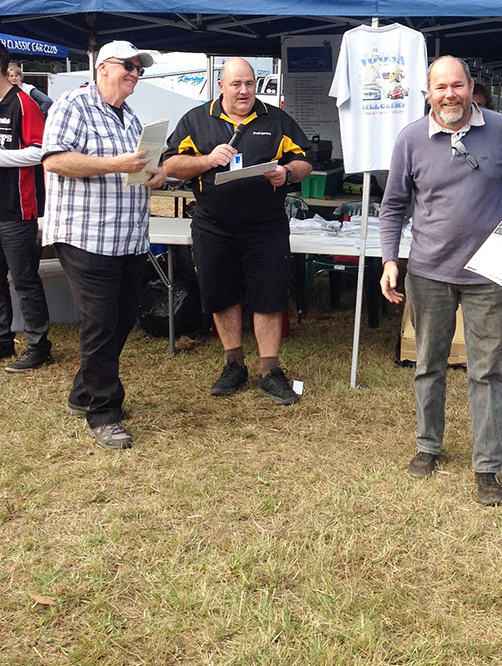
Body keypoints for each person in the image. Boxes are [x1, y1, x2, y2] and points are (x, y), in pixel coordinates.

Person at [379, 55, 502, 507]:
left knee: (486, 370)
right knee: (429, 364)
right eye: (440, 87)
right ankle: (428, 445)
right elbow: (392, 207)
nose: (449, 95)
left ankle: (487, 467)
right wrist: (390, 260)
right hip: (429, 272)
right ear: (428, 92)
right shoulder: (410, 139)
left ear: (471, 86)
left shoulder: (501, 129)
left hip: (488, 271)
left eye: (457, 85)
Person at [162, 57, 313, 403]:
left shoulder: (275, 119)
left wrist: (287, 173)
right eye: (236, 84)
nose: (244, 91)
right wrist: (206, 160)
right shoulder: (197, 119)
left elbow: (305, 161)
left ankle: (270, 371)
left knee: (269, 294)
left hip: (265, 226)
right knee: (221, 294)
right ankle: (234, 364)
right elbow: (170, 164)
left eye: (249, 83)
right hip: (213, 226)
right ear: (221, 86)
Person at [42, 41, 166, 450]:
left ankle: (83, 393)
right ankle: (103, 413)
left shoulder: (130, 117)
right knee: (100, 323)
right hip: (86, 235)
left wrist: (154, 174)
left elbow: (136, 170)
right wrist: (117, 164)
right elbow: (55, 160)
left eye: (139, 69)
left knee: (123, 318)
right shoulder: (73, 105)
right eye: (128, 65)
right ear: (103, 68)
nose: (134, 73)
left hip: (127, 238)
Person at [0, 43, 52, 371]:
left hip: (18, 207)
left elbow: (41, 151)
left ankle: (38, 345)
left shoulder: (23, 102)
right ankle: (3, 340)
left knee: (24, 279)